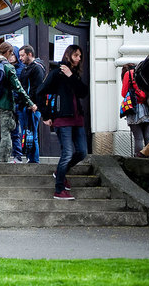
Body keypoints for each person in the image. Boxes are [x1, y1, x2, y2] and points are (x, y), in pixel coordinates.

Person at [38, 45, 89, 200]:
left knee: (82, 152)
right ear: (68, 55)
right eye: (76, 55)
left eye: (80, 56)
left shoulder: (74, 74)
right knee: (67, 153)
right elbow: (40, 92)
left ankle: (61, 171)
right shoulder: (56, 73)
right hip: (62, 119)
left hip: (77, 119)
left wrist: (71, 76)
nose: (79, 59)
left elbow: (83, 92)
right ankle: (59, 189)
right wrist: (46, 115)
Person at [0, 42, 37, 163]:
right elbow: (18, 88)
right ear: (8, 52)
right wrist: (30, 103)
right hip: (6, 106)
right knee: (6, 134)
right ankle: (3, 162)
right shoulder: (8, 67)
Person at [18, 45, 46, 163]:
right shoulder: (26, 68)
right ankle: (30, 158)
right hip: (25, 105)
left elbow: (37, 88)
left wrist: (33, 103)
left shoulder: (36, 68)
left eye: (22, 55)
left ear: (30, 54)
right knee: (28, 133)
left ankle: (34, 160)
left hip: (32, 106)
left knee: (32, 133)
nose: (20, 58)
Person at [121, 63, 149, 156]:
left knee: (138, 138)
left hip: (134, 108)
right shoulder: (143, 72)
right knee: (148, 137)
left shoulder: (128, 74)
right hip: (147, 107)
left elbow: (124, 93)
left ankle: (138, 161)